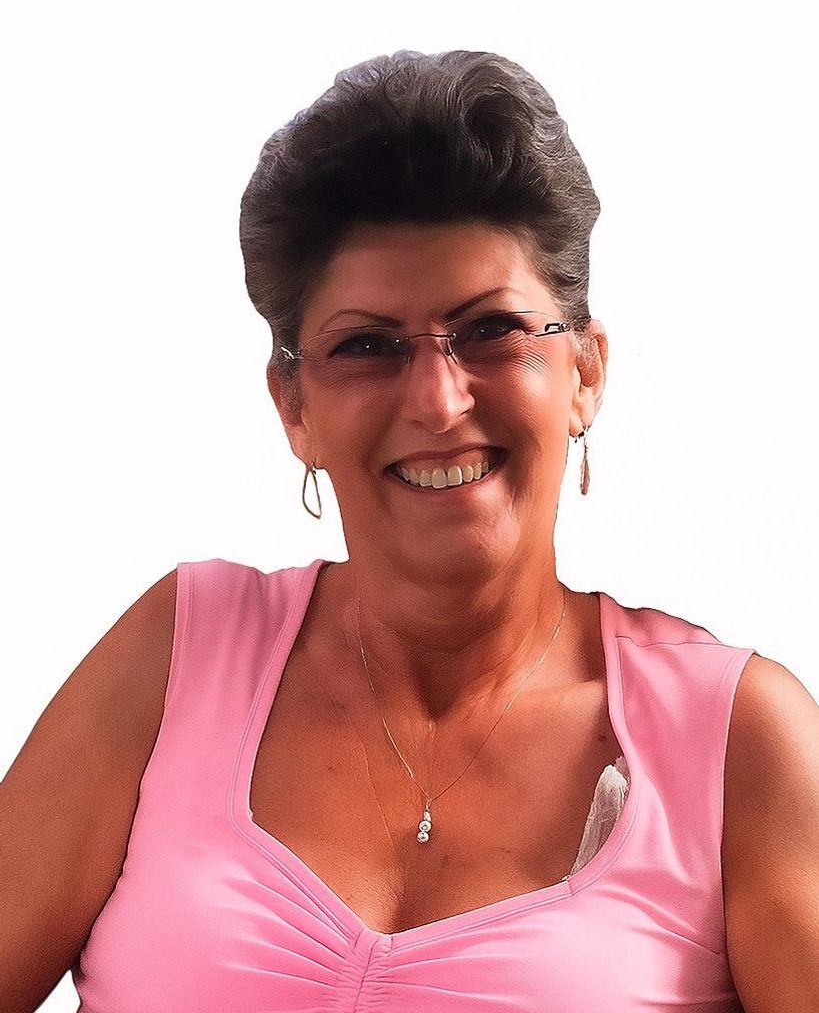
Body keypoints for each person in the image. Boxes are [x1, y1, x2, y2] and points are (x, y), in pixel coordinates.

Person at [2, 49, 817, 1013]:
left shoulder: (735, 741)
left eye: (491, 330)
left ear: (585, 374)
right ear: (294, 407)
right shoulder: (179, 656)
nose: (436, 400)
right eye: (367, 345)